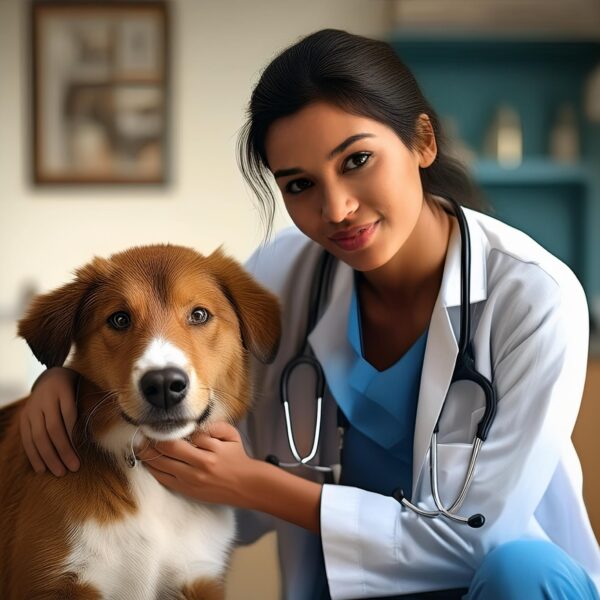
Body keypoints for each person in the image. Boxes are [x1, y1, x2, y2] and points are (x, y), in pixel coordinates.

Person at [20, 29, 600, 600]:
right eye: (299, 184)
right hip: (340, 589)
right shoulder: (279, 278)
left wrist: (261, 486)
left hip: (497, 587)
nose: (337, 208)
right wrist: (72, 383)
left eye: (357, 160)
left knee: (519, 569)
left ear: (423, 141)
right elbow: (196, 431)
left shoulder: (535, 298)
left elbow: (479, 539)